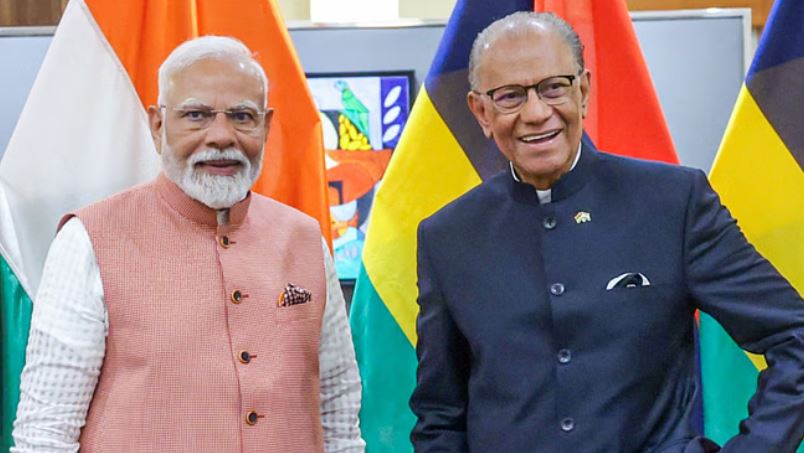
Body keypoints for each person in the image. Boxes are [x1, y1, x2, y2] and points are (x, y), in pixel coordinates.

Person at [410, 11, 804, 453]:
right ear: (481, 111)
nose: (536, 113)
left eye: (553, 87)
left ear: (583, 91)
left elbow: (796, 337)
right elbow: (439, 415)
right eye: (510, 96)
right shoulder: (447, 236)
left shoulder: (673, 203)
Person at [12, 36, 364, 452]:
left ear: (266, 126)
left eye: (242, 116)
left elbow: (339, 412)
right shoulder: (89, 240)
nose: (222, 136)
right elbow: (45, 432)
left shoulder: (304, 240)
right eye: (196, 115)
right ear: (157, 125)